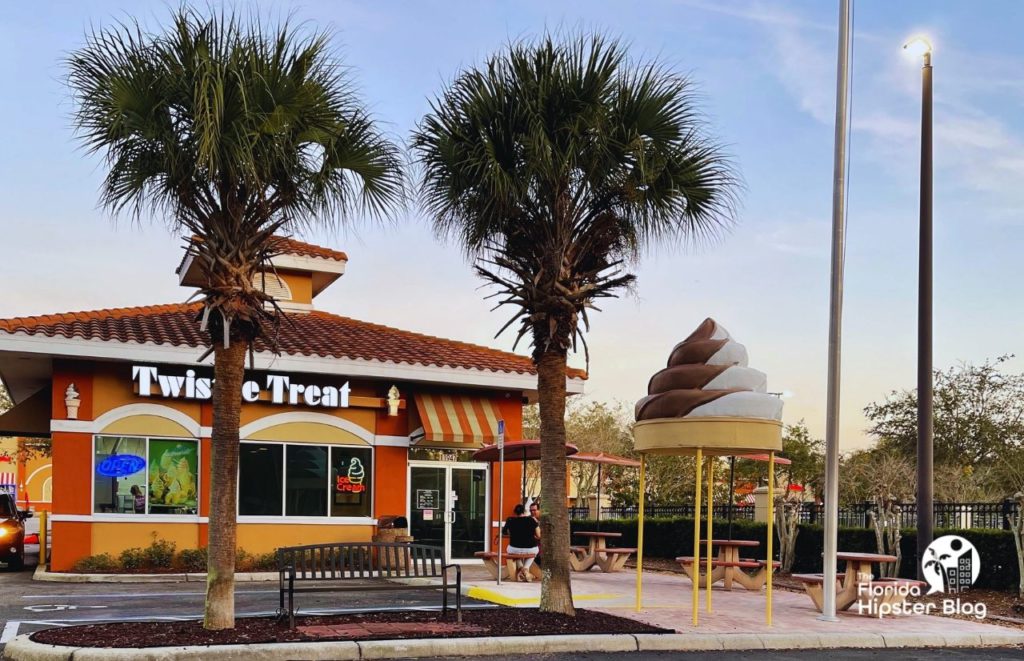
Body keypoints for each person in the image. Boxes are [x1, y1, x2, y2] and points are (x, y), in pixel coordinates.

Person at [502, 503, 539, 581]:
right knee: (536, 550)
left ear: (515, 512)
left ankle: (522, 569)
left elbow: (504, 532)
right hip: (530, 549)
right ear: (524, 511)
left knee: (511, 551)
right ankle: (525, 570)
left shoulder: (510, 520)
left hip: (514, 548)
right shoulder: (531, 520)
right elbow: (539, 535)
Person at [529, 501, 542, 567]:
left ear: (539, 510)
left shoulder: (543, 520)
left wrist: (536, 523)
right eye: (531, 510)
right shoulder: (529, 519)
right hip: (531, 543)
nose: (532, 512)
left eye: (534, 510)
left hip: (541, 543)